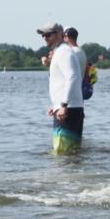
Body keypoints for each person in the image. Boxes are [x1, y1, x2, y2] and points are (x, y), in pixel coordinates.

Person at [37, 22, 84, 154]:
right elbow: (63, 81)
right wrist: (56, 104)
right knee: (69, 153)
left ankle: (67, 174)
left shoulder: (64, 52)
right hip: (67, 107)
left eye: (48, 34)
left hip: (69, 109)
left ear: (59, 34)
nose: (45, 37)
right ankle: (70, 174)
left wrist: (63, 104)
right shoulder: (60, 52)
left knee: (63, 153)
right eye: (43, 35)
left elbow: (73, 77)